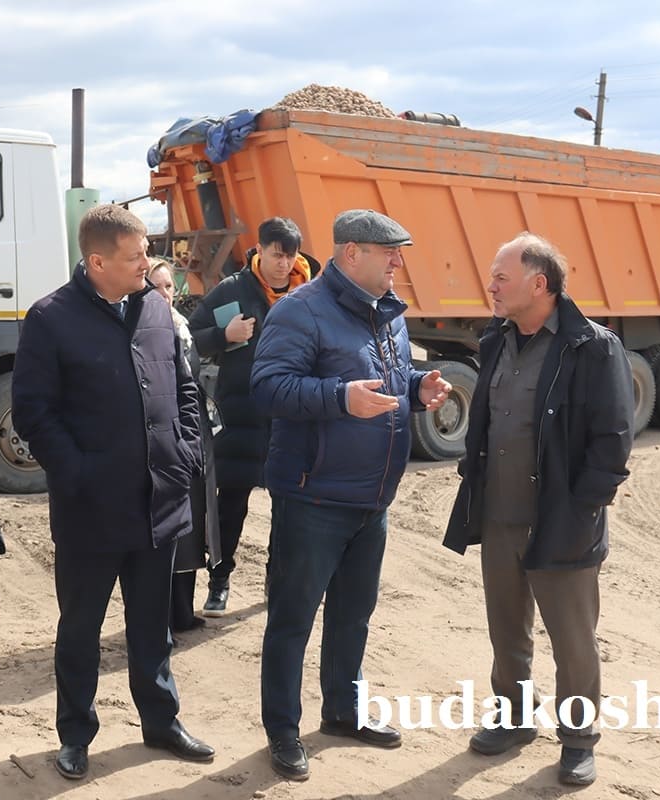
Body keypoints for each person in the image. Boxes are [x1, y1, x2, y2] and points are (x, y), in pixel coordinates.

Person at [11, 204, 216, 782]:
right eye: (135, 256)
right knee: (81, 631)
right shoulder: (51, 318)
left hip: (159, 501)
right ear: (97, 262)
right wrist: (77, 473)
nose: (147, 264)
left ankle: (162, 722)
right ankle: (76, 734)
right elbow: (33, 412)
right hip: (90, 512)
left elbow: (184, 387)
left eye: (145, 252)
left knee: (153, 627)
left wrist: (185, 452)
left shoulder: (155, 307)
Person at [250, 209, 452, 782]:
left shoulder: (387, 312)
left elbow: (385, 381)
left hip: (371, 498)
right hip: (313, 497)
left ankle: (343, 711)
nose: (398, 262)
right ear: (350, 253)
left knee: (353, 616)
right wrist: (340, 398)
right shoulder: (300, 310)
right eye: (389, 252)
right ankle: (283, 730)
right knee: (292, 620)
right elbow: (268, 387)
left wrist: (416, 387)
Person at [443, 233, 634, 786]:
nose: (491, 286)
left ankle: (577, 740)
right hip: (499, 515)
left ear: (539, 284)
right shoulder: (496, 340)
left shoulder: (592, 347)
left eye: (501, 277)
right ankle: (513, 719)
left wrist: (583, 511)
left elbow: (613, 440)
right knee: (507, 631)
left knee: (572, 641)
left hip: (561, 521)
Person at [188, 217, 318, 616]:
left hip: (291, 419)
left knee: (289, 510)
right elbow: (189, 339)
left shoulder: (310, 293)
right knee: (231, 506)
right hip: (241, 416)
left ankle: (276, 582)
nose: (284, 264)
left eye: (290, 256)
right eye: (277, 255)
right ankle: (219, 582)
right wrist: (223, 336)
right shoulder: (233, 290)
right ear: (259, 250)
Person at [148, 259, 221, 634]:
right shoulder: (144, 331)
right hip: (165, 443)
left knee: (192, 528)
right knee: (167, 534)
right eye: (156, 286)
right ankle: (159, 621)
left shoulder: (182, 326)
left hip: (193, 439)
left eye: (168, 287)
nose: (165, 294)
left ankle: (182, 612)